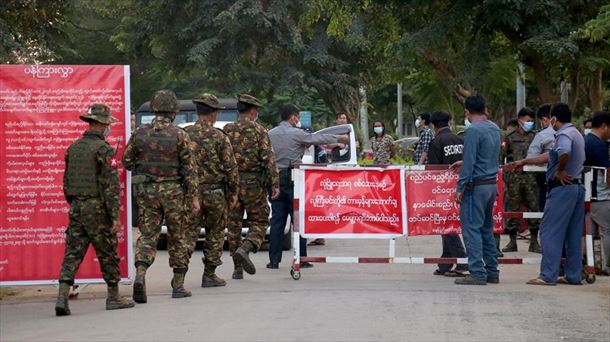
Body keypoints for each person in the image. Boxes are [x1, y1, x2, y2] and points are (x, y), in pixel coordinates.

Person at [55, 103, 135, 316]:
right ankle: (114, 296)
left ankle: (62, 295)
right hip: (97, 209)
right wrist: (114, 216)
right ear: (101, 124)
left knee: (72, 252)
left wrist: (75, 203)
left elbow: (66, 182)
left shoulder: (73, 148)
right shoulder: (103, 149)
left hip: (77, 207)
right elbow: (110, 187)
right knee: (107, 252)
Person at [123, 90, 200, 302]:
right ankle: (178, 285)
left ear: (154, 109)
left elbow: (126, 161)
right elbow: (190, 170)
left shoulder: (139, 134)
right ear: (173, 112)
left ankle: (140, 274)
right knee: (178, 237)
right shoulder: (180, 135)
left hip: (147, 193)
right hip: (174, 193)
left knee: (148, 236)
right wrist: (194, 198)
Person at [268, 104, 350, 269]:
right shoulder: (298, 134)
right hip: (293, 179)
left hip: (275, 179)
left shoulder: (269, 134)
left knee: (277, 221)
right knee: (298, 220)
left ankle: (274, 261)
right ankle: (301, 259)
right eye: (297, 117)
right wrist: (340, 139)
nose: (298, 120)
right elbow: (318, 139)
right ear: (292, 117)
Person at [526, 103, 586, 286]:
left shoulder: (563, 135)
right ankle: (573, 275)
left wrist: (559, 170)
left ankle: (548, 275)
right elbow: (550, 155)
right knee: (573, 234)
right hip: (577, 187)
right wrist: (524, 161)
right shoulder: (576, 133)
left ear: (553, 119)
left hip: (562, 188)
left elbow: (564, 152)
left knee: (549, 231)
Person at [184, 93, 239, 287]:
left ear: (198, 112)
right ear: (213, 114)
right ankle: (209, 275)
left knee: (189, 233)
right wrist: (234, 193)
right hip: (215, 193)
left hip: (191, 194)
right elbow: (230, 167)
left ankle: (179, 278)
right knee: (215, 233)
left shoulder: (185, 135)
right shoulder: (219, 136)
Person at [224, 94, 280, 279]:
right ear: (253, 111)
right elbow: (269, 159)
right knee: (260, 221)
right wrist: (275, 183)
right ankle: (246, 248)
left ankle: (237, 268)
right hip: (253, 184)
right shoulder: (259, 130)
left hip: (231, 184)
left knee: (233, 226)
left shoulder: (227, 130)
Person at [450, 95, 502, 285]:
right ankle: (492, 271)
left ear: (467, 112)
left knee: (471, 230)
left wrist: (460, 187)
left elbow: (471, 162)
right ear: (485, 109)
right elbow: (489, 156)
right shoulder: (495, 128)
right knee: (487, 230)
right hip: (491, 184)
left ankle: (477, 273)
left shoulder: (473, 131)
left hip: (476, 187)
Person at [427, 111, 468, 277]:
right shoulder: (459, 140)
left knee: (446, 224)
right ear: (449, 122)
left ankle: (462, 260)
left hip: (442, 189)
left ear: (433, 125)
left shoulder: (436, 141)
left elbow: (433, 170)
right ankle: (446, 263)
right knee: (448, 223)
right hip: (461, 186)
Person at [500, 107, 541, 253]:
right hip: (513, 179)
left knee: (534, 208)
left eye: (531, 121)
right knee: (512, 209)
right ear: (520, 120)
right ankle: (512, 241)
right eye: (527, 120)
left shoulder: (535, 136)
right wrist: (503, 179)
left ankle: (534, 241)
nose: (530, 123)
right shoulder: (509, 136)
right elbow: (501, 158)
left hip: (531, 179)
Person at [309, 112, 350, 247]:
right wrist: (338, 143)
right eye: (341, 118)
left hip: (341, 169)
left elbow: (353, 144)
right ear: (336, 120)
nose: (343, 119)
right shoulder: (320, 145)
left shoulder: (350, 132)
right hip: (327, 172)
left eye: (345, 118)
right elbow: (329, 145)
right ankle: (319, 235)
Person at [584, 111, 610, 276]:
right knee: (607, 231)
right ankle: (608, 266)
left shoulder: (585, 141)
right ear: (604, 126)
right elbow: (607, 173)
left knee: (588, 234)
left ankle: (590, 266)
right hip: (600, 196)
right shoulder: (599, 145)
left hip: (587, 195)